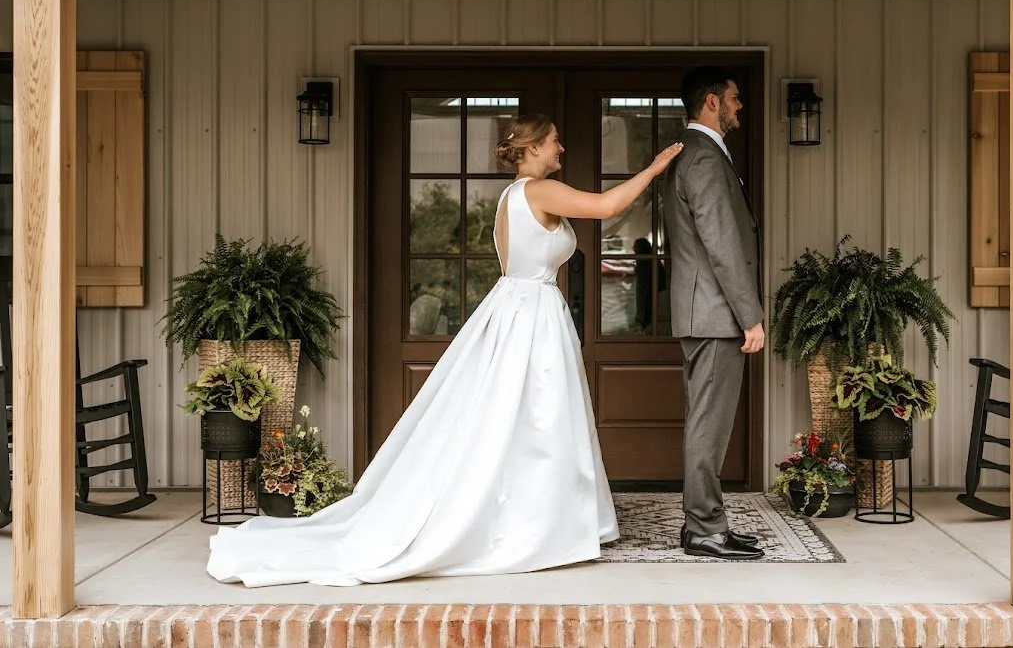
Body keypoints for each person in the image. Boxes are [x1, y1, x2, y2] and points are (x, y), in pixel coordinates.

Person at [206, 114, 684, 587]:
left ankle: (541, 518)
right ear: (534, 147)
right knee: (538, 416)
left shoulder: (511, 195)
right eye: (556, 141)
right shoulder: (536, 191)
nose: (562, 149)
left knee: (522, 419)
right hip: (530, 314)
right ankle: (536, 524)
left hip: (522, 308)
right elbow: (606, 206)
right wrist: (654, 167)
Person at [663, 65, 766, 561]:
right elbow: (722, 243)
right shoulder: (703, 157)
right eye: (735, 97)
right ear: (711, 102)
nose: (739, 106)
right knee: (710, 423)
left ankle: (706, 525)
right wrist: (750, 315)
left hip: (708, 311)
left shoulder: (703, 154)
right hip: (714, 313)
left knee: (711, 421)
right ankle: (704, 527)